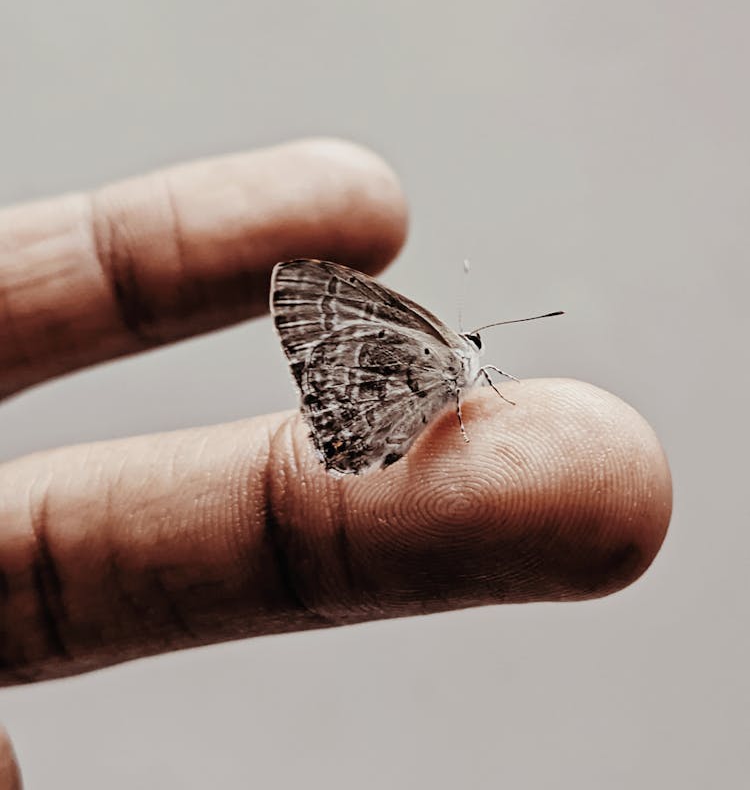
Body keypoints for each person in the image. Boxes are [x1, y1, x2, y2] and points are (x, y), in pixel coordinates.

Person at [0, 138, 671, 786]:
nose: (469, 353)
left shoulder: (451, 363)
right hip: (366, 414)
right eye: (469, 347)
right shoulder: (438, 354)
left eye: (471, 350)